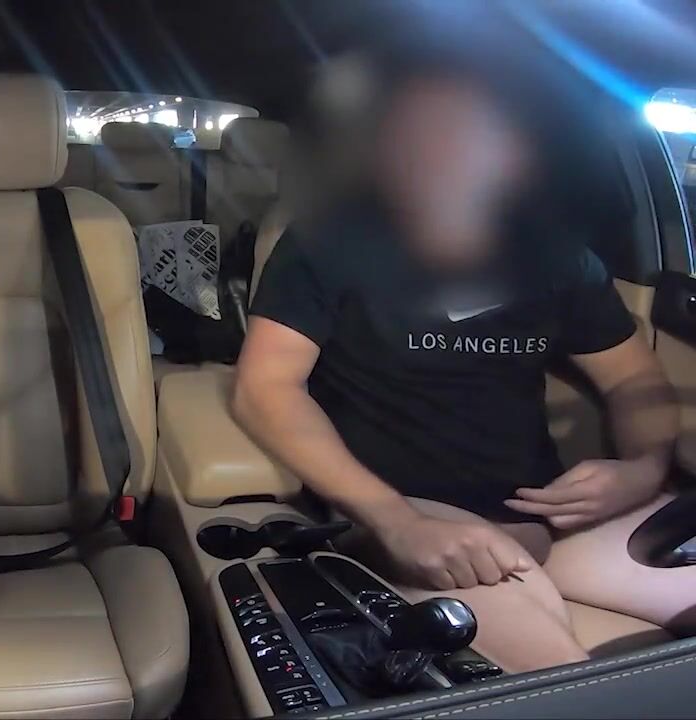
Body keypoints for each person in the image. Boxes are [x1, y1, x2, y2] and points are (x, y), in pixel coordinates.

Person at [232, 49, 688, 673]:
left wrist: (642, 468)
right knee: (556, 678)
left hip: (547, 512)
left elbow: (634, 379)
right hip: (404, 509)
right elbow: (266, 388)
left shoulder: (557, 256)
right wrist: (395, 521)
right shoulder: (327, 240)